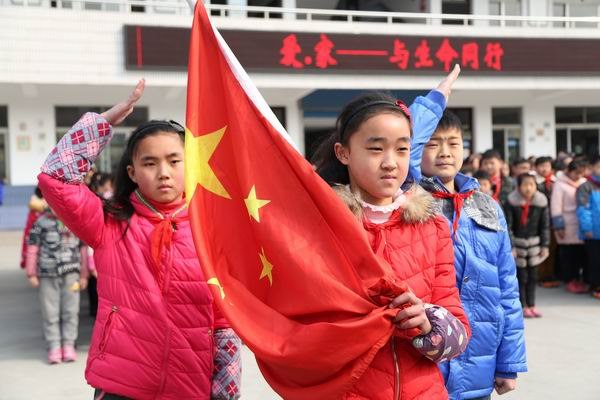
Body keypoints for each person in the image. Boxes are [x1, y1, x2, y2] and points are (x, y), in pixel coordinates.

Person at [37, 80, 241, 400]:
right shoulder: (109, 222)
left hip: (190, 388)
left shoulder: (209, 229)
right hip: (121, 385)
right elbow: (55, 178)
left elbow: (222, 319)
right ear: (132, 172)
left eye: (174, 161)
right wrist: (102, 124)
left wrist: (226, 389)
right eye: (150, 163)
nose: (164, 172)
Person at [313, 68, 471, 399]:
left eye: (402, 149)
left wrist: (427, 321)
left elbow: (458, 335)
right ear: (343, 153)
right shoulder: (320, 227)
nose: (390, 163)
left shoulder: (432, 226)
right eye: (375, 149)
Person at [414, 110, 526, 399]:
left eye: (454, 143)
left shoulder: (487, 207)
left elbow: (507, 289)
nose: (445, 152)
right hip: (423, 363)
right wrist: (433, 104)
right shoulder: (407, 203)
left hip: (479, 360)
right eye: (432, 143)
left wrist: (509, 362)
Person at [25, 207, 89, 364]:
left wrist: (84, 274)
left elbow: (83, 249)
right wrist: (31, 273)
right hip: (47, 274)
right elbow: (32, 248)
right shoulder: (40, 223)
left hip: (71, 274)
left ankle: (68, 344)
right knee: (50, 312)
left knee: (71, 311)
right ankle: (54, 345)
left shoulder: (75, 220)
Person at [505, 172, 550, 318]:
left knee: (533, 277)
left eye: (532, 184)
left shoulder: (541, 201)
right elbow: (508, 226)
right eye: (525, 184)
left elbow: (545, 226)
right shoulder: (512, 202)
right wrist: (511, 246)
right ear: (518, 186)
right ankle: (522, 306)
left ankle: (532, 305)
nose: (528, 188)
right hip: (518, 246)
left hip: (535, 245)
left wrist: (545, 245)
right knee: (521, 277)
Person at [552, 160, 588, 293]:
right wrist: (559, 226)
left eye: (581, 173)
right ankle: (569, 280)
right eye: (576, 173)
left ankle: (579, 279)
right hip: (567, 224)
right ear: (569, 171)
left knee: (580, 254)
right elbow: (556, 206)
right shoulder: (560, 184)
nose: (578, 176)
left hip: (581, 224)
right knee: (568, 254)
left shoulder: (584, 182)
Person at [576, 155, 600, 299]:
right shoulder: (586, 187)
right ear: (591, 168)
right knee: (595, 261)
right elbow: (583, 209)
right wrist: (587, 228)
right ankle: (595, 286)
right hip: (593, 233)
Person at [20, 187, 48, 268]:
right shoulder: (36, 200)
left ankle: (30, 263)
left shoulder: (34, 200)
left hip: (33, 229)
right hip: (37, 229)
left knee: (31, 246)